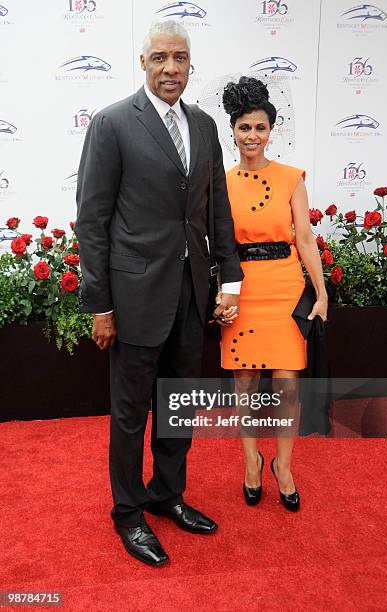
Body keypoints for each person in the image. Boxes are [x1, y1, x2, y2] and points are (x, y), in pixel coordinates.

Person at [75, 20, 243, 567]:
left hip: (192, 296)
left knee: (178, 407)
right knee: (130, 415)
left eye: (181, 58)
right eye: (160, 58)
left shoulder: (203, 125)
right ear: (144, 63)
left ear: (190, 64)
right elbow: (92, 219)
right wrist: (100, 304)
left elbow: (216, 207)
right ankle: (128, 513)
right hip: (134, 297)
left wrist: (230, 278)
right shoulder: (113, 123)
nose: (171, 68)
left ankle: (167, 494)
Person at [220, 76, 328, 511]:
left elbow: (304, 238)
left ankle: (283, 466)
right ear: (233, 130)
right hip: (241, 290)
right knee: (245, 384)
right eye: (244, 127)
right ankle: (251, 461)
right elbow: (218, 246)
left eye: (260, 127)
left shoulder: (290, 178)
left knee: (285, 387)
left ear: (271, 131)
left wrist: (321, 293)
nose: (252, 136)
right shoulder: (222, 182)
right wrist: (221, 295)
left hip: (285, 289)